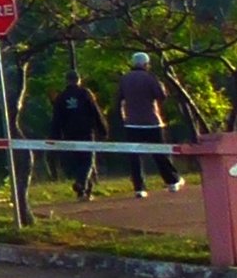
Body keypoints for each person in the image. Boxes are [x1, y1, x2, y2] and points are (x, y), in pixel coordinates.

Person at [113, 50, 177, 193]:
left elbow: (118, 99)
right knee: (159, 153)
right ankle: (171, 181)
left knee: (134, 157)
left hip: (131, 123)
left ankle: (139, 188)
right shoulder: (150, 78)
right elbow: (161, 96)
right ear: (146, 64)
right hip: (152, 121)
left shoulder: (125, 79)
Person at [47, 70, 107, 197]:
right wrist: (103, 128)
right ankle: (80, 182)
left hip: (69, 134)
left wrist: (55, 136)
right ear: (78, 80)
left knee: (78, 161)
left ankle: (84, 191)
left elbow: (56, 118)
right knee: (88, 161)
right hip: (85, 132)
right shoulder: (85, 93)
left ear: (66, 81)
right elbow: (95, 111)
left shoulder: (61, 97)